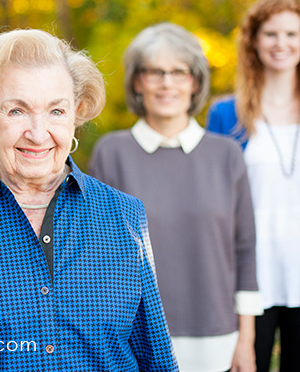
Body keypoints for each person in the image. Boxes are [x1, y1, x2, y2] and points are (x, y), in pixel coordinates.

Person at [0, 29, 178, 371]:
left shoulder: (125, 215)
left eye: (56, 111)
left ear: (75, 114)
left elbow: (157, 359)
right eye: (17, 110)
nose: (37, 132)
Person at [89, 22, 262, 372]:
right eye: (155, 72)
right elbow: (93, 256)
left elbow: (245, 251)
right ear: (138, 81)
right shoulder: (112, 153)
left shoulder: (226, 155)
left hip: (216, 338)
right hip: (131, 338)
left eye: (179, 72)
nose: (167, 83)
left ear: (195, 81)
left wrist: (246, 342)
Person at [207, 0, 300, 372]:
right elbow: (213, 200)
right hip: (250, 282)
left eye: (292, 33)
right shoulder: (226, 114)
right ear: (254, 42)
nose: (282, 44)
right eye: (271, 34)